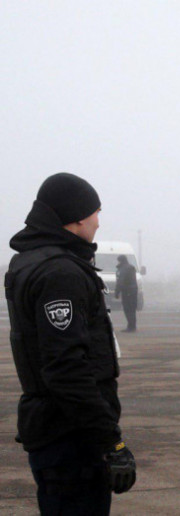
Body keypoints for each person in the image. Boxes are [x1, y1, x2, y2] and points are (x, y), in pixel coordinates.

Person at [5, 173, 136, 514]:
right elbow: (66, 368)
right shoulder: (60, 273)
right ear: (76, 217)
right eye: (95, 212)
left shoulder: (30, 261)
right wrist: (111, 440)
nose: (98, 221)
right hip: (70, 436)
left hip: (55, 428)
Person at [114, 254, 138, 332]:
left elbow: (120, 281)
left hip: (127, 291)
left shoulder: (123, 269)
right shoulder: (131, 267)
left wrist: (117, 292)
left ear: (120, 261)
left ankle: (130, 327)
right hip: (133, 291)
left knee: (128, 309)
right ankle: (132, 326)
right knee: (132, 309)